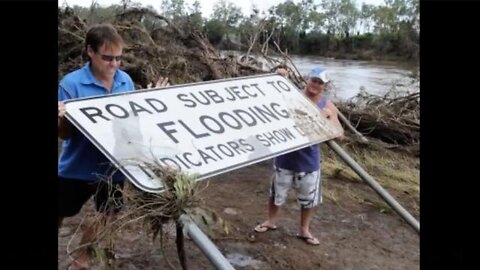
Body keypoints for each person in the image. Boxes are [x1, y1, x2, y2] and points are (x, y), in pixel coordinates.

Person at [58, 23, 168, 270]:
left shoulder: (125, 81)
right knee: (61, 210)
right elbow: (63, 135)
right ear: (90, 52)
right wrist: (63, 119)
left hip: (114, 166)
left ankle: (81, 261)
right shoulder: (71, 84)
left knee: (107, 214)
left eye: (118, 58)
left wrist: (152, 103)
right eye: (107, 58)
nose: (114, 65)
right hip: (77, 166)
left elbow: (133, 121)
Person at [254, 66, 344, 246]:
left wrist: (325, 117)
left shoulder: (327, 105)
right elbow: (268, 101)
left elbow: (340, 135)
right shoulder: (292, 95)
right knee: (276, 193)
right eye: (313, 80)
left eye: (320, 83)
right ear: (307, 80)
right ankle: (270, 221)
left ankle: (304, 230)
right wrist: (279, 78)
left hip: (309, 161)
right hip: (284, 157)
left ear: (324, 86)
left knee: (309, 200)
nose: (315, 85)